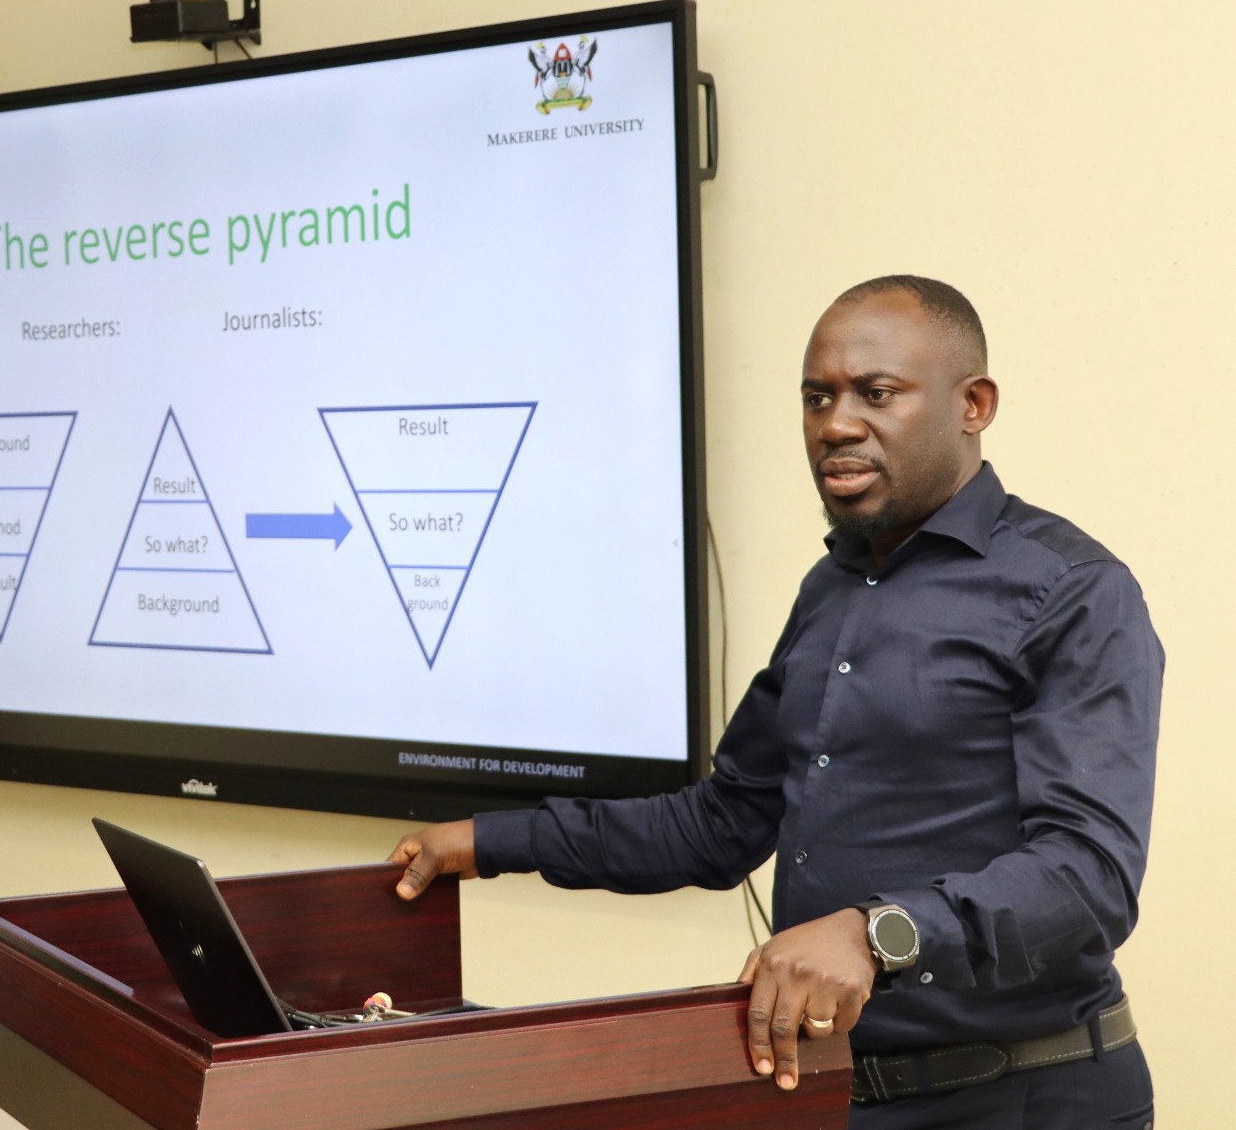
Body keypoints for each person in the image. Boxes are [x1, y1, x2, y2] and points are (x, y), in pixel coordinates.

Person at [388, 276, 1162, 1129]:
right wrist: (488, 841)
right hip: (833, 1093)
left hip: (1026, 1098)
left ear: (973, 403)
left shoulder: (1073, 589)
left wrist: (876, 933)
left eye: (877, 393)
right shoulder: (831, 587)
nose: (835, 424)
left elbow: (1089, 877)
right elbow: (721, 824)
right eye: (816, 397)